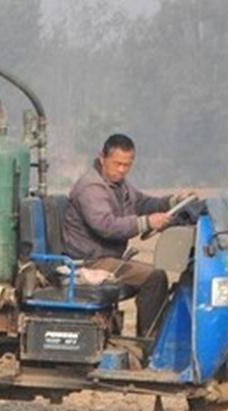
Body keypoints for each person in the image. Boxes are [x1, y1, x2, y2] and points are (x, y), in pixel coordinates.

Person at [60, 134, 198, 342]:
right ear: (102, 158)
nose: (122, 170)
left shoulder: (120, 186)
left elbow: (143, 203)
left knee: (155, 275)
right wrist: (146, 223)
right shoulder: (91, 187)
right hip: (91, 261)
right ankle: (149, 344)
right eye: (117, 164)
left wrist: (173, 201)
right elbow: (105, 226)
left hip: (108, 258)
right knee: (155, 278)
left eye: (127, 165)